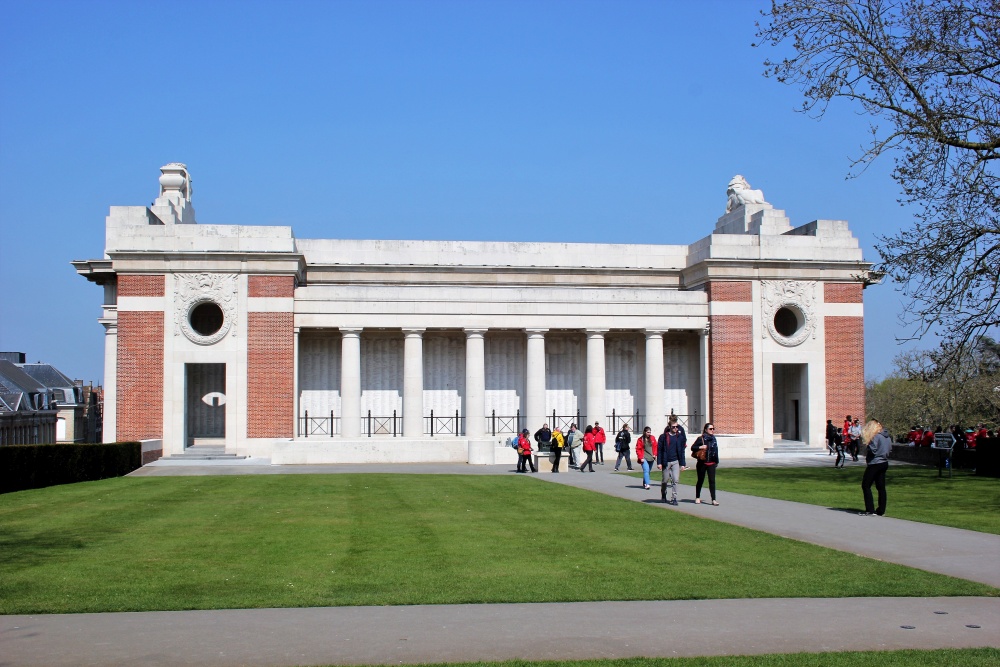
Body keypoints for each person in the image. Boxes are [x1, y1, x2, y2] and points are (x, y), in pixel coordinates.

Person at [859, 419, 891, 516]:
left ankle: (870, 509)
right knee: (881, 487)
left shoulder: (876, 437)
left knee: (866, 485)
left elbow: (873, 450)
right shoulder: (887, 437)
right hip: (884, 462)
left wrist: (868, 446)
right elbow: (890, 449)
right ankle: (881, 510)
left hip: (875, 463)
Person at [657, 422, 687, 504]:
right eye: (673, 427)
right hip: (666, 461)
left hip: (675, 461)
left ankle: (674, 498)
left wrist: (683, 464)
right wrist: (659, 462)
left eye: (676, 427)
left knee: (675, 479)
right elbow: (659, 450)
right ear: (669, 427)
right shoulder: (663, 437)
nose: (675, 428)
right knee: (665, 480)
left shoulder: (679, 437)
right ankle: (663, 494)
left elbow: (682, 451)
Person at [690, 423, 720, 505]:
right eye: (710, 429)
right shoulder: (701, 439)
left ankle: (713, 499)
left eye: (713, 429)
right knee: (700, 480)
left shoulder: (714, 439)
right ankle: (697, 497)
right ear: (706, 430)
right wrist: (700, 447)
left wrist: (716, 461)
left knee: (712, 481)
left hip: (712, 463)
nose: (712, 430)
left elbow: (716, 451)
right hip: (702, 463)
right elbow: (692, 447)